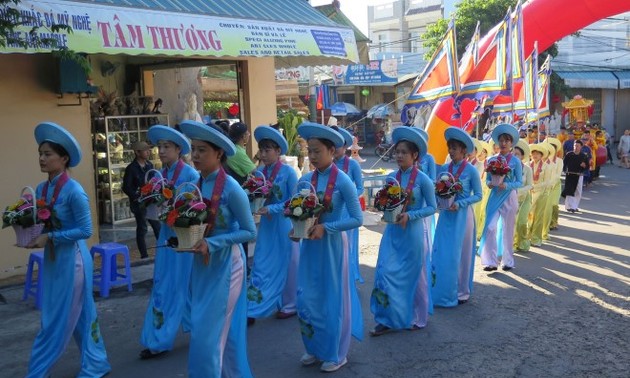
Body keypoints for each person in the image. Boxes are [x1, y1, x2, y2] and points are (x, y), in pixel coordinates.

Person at [26, 122, 111, 377]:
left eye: (48, 154)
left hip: (73, 260)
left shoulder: (74, 190)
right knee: (83, 314)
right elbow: (43, 223)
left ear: (63, 159)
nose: (42, 158)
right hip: (54, 260)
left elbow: (85, 231)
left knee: (55, 318)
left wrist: (50, 237)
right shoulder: (42, 189)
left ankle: (37, 371)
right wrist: (31, 232)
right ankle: (96, 364)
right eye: (40, 154)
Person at [178, 120, 256, 377]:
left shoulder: (232, 188)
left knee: (208, 334)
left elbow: (249, 231)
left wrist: (213, 242)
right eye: (194, 149)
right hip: (202, 266)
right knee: (214, 328)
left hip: (227, 266)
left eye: (202, 150)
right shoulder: (196, 186)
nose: (196, 155)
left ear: (219, 153)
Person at [295, 122, 363, 373]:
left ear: (332, 151)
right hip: (310, 247)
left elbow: (357, 218)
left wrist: (328, 228)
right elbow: (294, 212)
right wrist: (294, 232)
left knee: (331, 297)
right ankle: (314, 346)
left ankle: (335, 352)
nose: (312, 156)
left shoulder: (343, 181)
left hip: (333, 246)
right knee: (307, 297)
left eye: (317, 151)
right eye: (309, 151)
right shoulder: (304, 181)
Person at [140, 125, 200, 359]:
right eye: (160, 147)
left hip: (183, 237)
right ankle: (168, 333)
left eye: (167, 147)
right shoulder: (160, 175)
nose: (162, 151)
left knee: (177, 285)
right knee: (167, 284)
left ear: (178, 149)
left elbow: (198, 211)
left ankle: (160, 339)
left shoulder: (190, 176)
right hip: (166, 236)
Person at [370, 127, 436, 335]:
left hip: (414, 234)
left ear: (414, 155)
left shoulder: (423, 179)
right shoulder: (391, 177)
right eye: (397, 151)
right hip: (393, 233)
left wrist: (411, 215)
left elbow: (432, 207)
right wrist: (382, 210)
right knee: (385, 272)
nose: (399, 155)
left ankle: (417, 316)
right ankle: (386, 318)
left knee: (415, 276)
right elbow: (385, 201)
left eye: (403, 152)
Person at [247, 125, 299, 321]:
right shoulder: (259, 172)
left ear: (278, 151)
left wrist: (273, 208)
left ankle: (290, 303)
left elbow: (295, 200)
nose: (263, 154)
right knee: (261, 263)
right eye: (261, 150)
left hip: (284, 223)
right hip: (267, 226)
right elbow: (254, 194)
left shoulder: (288, 172)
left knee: (288, 263)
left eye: (267, 150)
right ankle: (254, 305)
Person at [431, 127, 482, 306]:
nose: (451, 152)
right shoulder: (444, 168)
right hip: (446, 215)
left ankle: (461, 291)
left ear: (463, 151)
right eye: (449, 148)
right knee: (444, 251)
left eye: (454, 148)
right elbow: (438, 189)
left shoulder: (471, 171)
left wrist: (459, 203)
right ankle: (443, 289)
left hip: (463, 216)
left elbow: (479, 195)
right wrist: (439, 201)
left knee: (462, 254)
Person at [479, 124, 522, 271]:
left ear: (511, 144)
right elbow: (487, 180)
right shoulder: (491, 160)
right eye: (501, 140)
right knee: (490, 227)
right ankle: (490, 261)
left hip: (509, 197)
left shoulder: (515, 161)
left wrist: (507, 185)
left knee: (507, 229)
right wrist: (490, 183)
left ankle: (507, 261)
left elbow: (519, 182)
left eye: (506, 141)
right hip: (495, 195)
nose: (503, 143)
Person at [332, 126, 365, 283]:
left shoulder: (352, 165)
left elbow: (360, 187)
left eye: (338, 145)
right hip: (332, 210)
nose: (334, 148)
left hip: (349, 210)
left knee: (348, 244)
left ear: (345, 147)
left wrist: (348, 196)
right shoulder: (326, 165)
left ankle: (349, 276)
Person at [123, 141, 161, 259]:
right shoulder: (131, 168)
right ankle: (144, 255)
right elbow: (126, 187)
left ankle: (163, 252)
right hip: (139, 204)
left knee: (157, 226)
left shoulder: (149, 165)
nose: (148, 152)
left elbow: (153, 180)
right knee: (142, 228)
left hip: (150, 202)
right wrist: (137, 197)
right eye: (145, 150)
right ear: (137, 152)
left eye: (149, 150)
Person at [527, 143, 552, 247]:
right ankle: (527, 236)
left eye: (538, 154)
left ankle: (536, 238)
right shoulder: (527, 165)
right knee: (527, 216)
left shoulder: (546, 167)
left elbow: (547, 182)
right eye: (533, 153)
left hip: (541, 193)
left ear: (542, 156)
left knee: (538, 216)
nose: (535, 155)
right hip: (528, 193)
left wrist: (535, 186)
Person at [513, 140, 533, 252]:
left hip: (525, 198)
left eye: (517, 154)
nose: (515, 156)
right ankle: (512, 243)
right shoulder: (509, 169)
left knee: (521, 222)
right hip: (512, 199)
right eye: (513, 154)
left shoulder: (527, 169)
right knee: (512, 222)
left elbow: (530, 185)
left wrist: (519, 190)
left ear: (522, 156)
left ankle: (522, 242)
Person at [542, 138, 563, 236]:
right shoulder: (544, 161)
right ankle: (545, 222)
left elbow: (558, 174)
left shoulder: (559, 161)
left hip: (555, 185)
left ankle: (554, 222)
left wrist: (551, 183)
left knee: (554, 204)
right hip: (544, 186)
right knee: (545, 205)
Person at [562, 140, 589, 213]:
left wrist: (584, 166)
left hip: (579, 175)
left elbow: (587, 167)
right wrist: (564, 170)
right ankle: (569, 206)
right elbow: (564, 164)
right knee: (569, 191)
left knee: (578, 191)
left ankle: (575, 206)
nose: (575, 147)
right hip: (570, 174)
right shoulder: (569, 154)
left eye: (577, 146)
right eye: (574, 146)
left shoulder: (584, 156)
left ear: (581, 147)